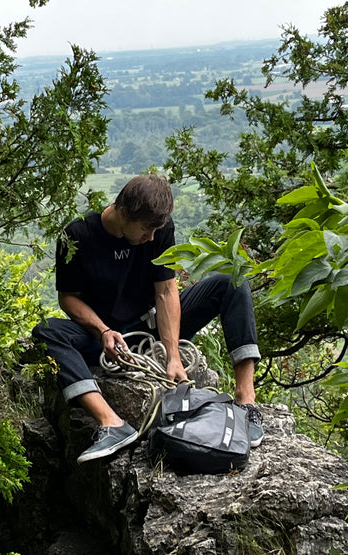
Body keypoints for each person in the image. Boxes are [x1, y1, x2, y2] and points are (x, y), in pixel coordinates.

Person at [33, 174, 263, 464]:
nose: (152, 237)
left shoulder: (160, 229)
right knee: (46, 330)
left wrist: (173, 356)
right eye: (146, 229)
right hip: (102, 338)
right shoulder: (77, 237)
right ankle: (111, 423)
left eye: (156, 229)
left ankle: (246, 401)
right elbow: (68, 297)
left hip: (151, 326)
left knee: (232, 280)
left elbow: (166, 290)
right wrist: (103, 330)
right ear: (124, 213)